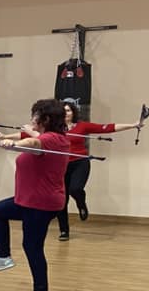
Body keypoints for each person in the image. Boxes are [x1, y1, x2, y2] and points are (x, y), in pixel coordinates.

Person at [0, 99, 69, 291]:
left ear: (45, 119)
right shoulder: (55, 138)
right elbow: (30, 138)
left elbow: (34, 144)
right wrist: (10, 137)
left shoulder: (50, 139)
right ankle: (3, 256)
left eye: (34, 116)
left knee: (32, 247)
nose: (31, 119)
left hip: (40, 203)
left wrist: (13, 145)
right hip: (29, 200)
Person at [51, 99, 143, 241]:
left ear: (73, 112)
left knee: (75, 189)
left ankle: (81, 203)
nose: (66, 113)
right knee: (62, 199)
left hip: (80, 162)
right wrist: (12, 138)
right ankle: (64, 231)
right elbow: (32, 135)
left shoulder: (82, 126)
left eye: (68, 110)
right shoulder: (54, 129)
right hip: (61, 165)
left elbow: (106, 128)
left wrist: (133, 125)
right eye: (63, 111)